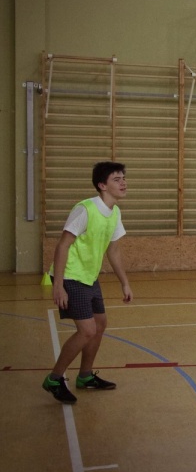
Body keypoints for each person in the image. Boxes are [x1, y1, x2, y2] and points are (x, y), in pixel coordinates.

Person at [42, 162, 133, 404]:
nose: (123, 183)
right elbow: (63, 245)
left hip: (88, 277)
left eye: (123, 178)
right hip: (71, 275)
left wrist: (124, 282)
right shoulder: (85, 209)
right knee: (87, 330)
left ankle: (84, 376)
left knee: (100, 324)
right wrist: (58, 284)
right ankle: (54, 378)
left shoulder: (114, 212)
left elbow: (113, 251)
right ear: (102, 185)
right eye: (116, 179)